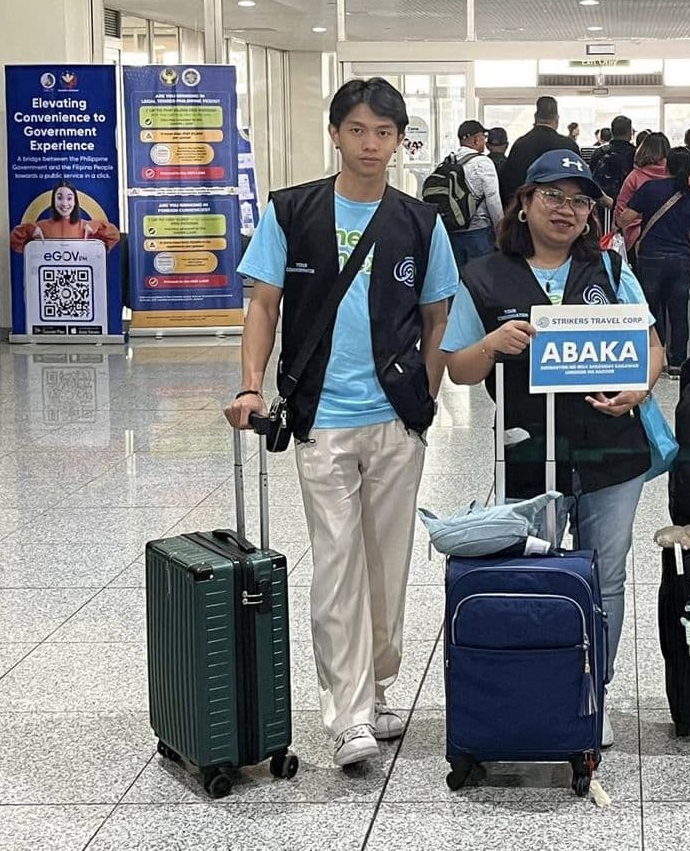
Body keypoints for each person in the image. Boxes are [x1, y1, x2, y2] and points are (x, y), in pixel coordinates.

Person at [225, 77, 459, 768]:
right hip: (321, 417)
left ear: (400, 140)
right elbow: (263, 306)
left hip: (396, 421)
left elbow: (437, 318)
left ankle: (379, 685)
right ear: (335, 134)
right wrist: (249, 386)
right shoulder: (292, 212)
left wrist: (424, 401)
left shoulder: (421, 222)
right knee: (336, 564)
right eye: (357, 130)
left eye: (384, 133)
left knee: (387, 567)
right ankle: (348, 713)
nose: (370, 144)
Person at [441, 149, 672, 749]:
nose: (566, 210)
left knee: (608, 576)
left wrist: (639, 386)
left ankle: (595, 692)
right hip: (525, 449)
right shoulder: (485, 275)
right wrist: (491, 343)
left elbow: (652, 350)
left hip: (610, 450)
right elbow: (460, 371)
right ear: (524, 201)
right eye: (553, 196)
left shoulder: (612, 270)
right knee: (534, 572)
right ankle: (540, 685)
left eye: (579, 200)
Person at [619, 147, 690, 370]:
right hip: (680, 260)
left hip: (651, 258)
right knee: (678, 312)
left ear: (666, 165)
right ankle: (678, 363)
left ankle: (653, 360)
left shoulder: (649, 188)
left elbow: (624, 219)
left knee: (650, 310)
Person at [447, 119, 502, 268]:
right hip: (478, 232)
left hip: (452, 231)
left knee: (458, 280)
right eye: (484, 136)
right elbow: (493, 200)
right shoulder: (483, 163)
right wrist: (501, 230)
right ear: (477, 139)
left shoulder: (449, 161)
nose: (485, 140)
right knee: (481, 281)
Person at [498, 96, 574, 202]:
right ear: (557, 119)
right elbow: (579, 183)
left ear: (535, 117)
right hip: (561, 208)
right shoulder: (568, 146)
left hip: (527, 208)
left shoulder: (520, 144)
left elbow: (509, 183)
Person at [8, 180, 121, 251]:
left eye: (69, 198)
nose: (64, 203)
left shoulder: (86, 227)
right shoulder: (41, 227)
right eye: (59, 197)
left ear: (75, 201)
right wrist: (29, 229)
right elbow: (14, 240)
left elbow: (114, 235)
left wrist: (96, 225)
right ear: (53, 200)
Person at [614, 132, 671, 251]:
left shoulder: (635, 177)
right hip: (674, 237)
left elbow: (621, 210)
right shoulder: (678, 176)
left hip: (639, 238)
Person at [591, 116, 636, 204]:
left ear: (612, 132)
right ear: (630, 133)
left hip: (601, 201)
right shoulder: (636, 154)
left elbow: (592, 177)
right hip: (627, 203)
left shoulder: (600, 152)